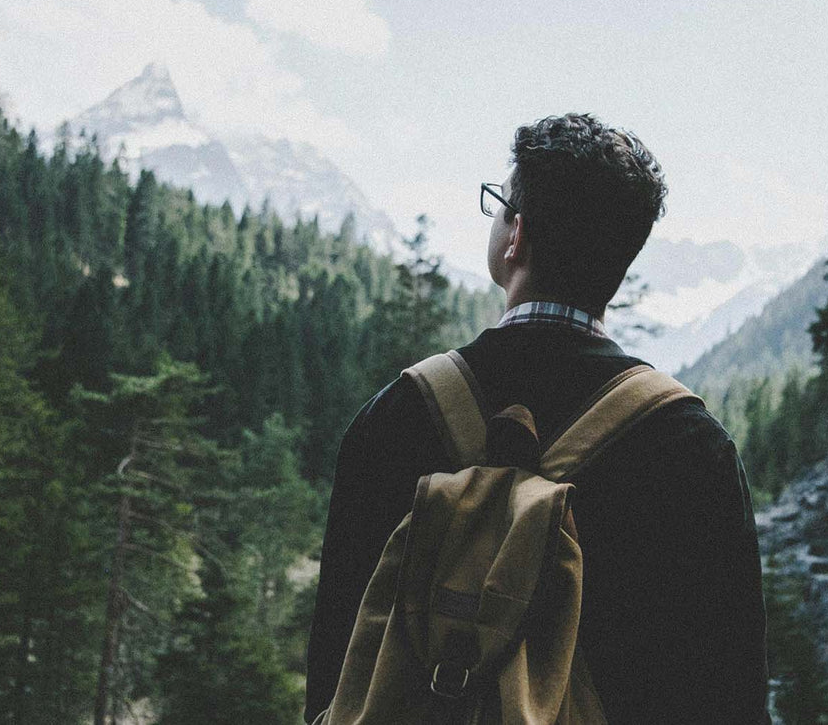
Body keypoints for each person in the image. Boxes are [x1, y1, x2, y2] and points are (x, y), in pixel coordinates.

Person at [304, 113, 770, 724]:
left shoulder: (395, 417)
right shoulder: (689, 445)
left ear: (515, 235)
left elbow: (336, 666)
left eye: (497, 206)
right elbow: (729, 691)